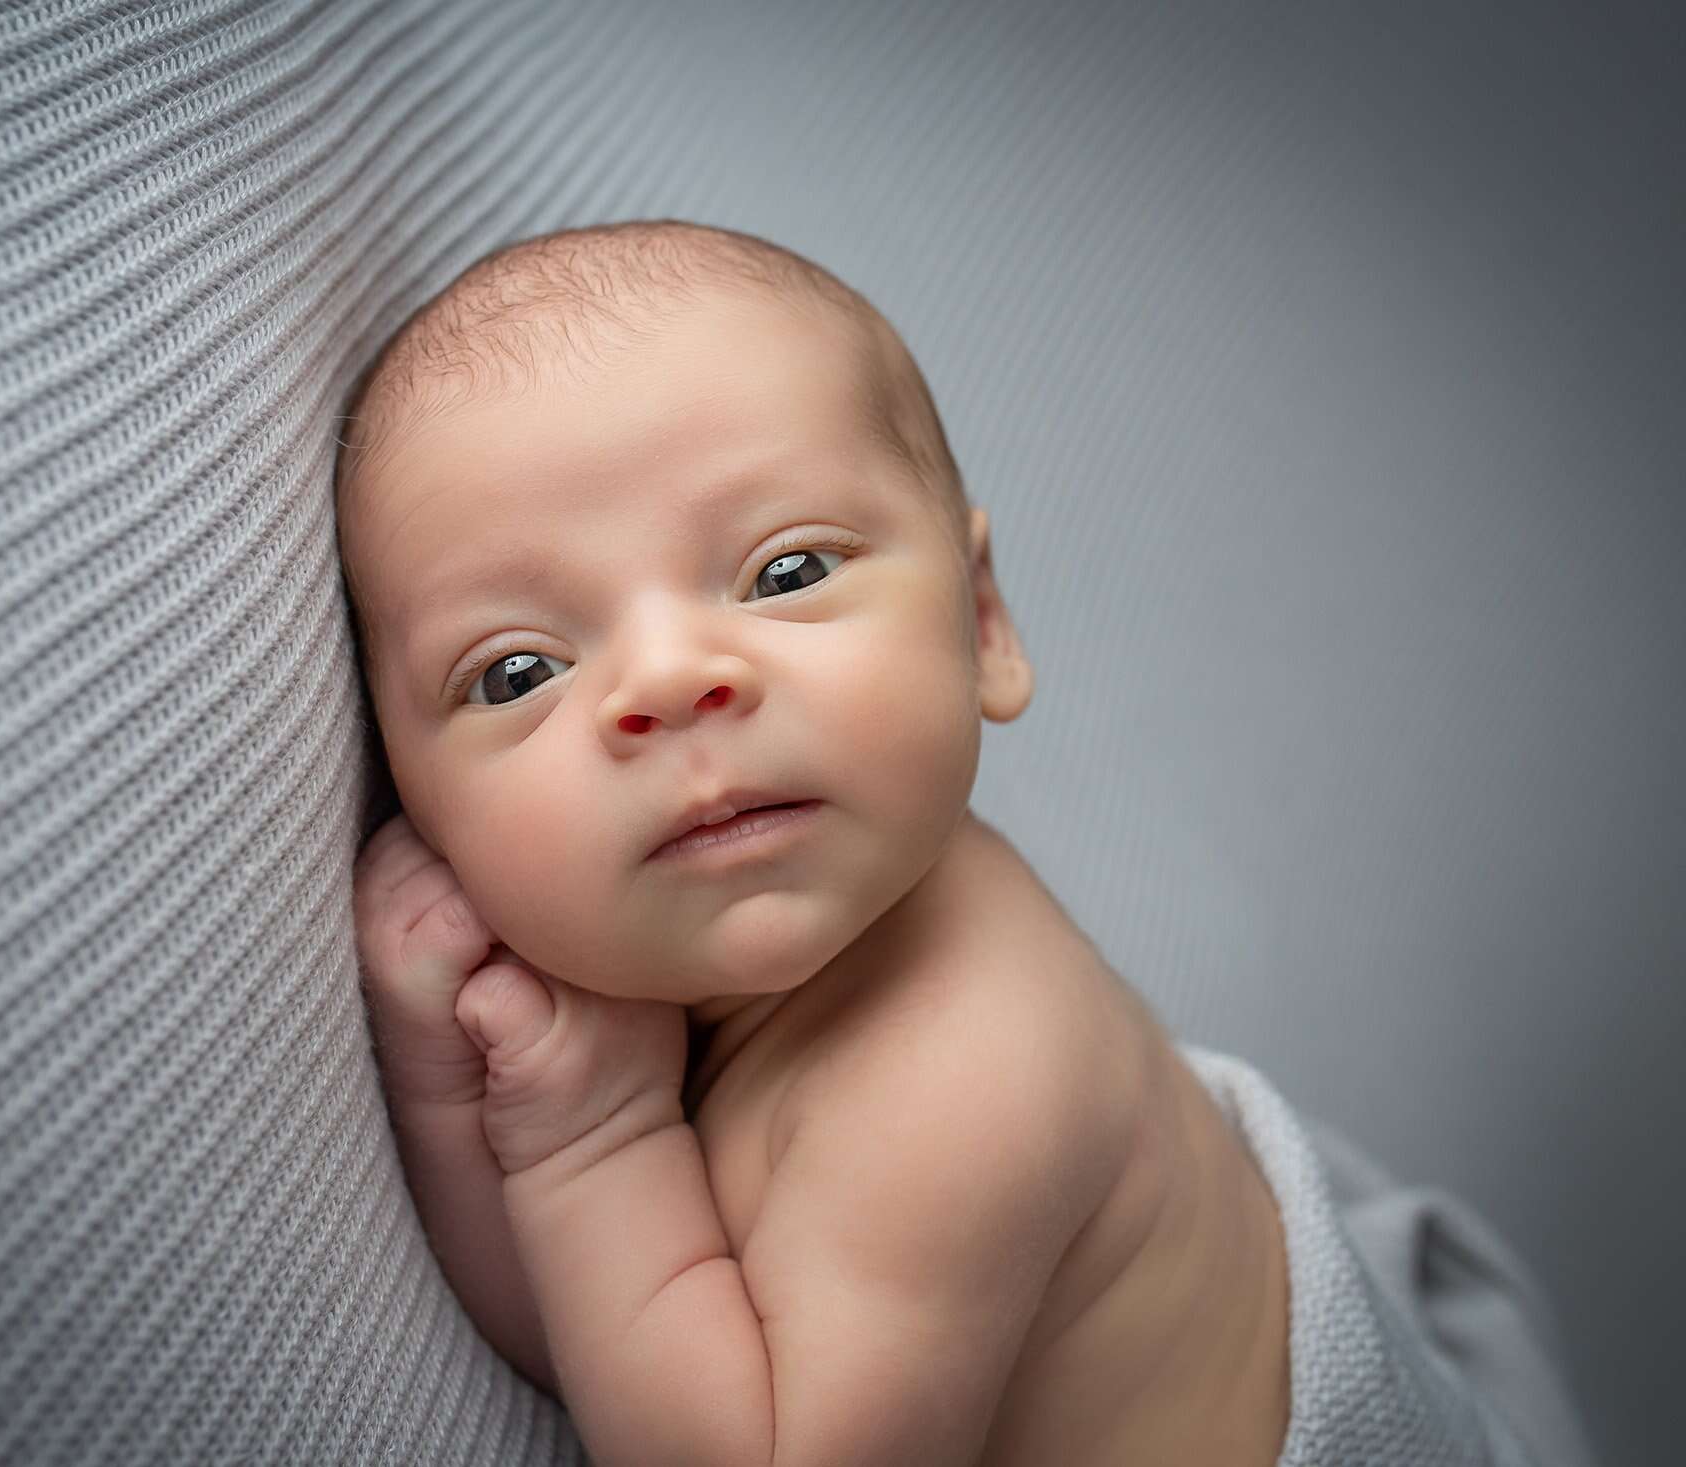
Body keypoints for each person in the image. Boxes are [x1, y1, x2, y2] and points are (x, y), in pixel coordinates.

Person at [335, 219, 1591, 1465]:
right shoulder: (682, 985)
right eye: (513, 672)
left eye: (781, 574)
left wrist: (587, 1140)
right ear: (410, 796)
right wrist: (459, 1092)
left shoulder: (955, 1088)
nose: (667, 680)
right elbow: (602, 1348)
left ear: (981, 621)